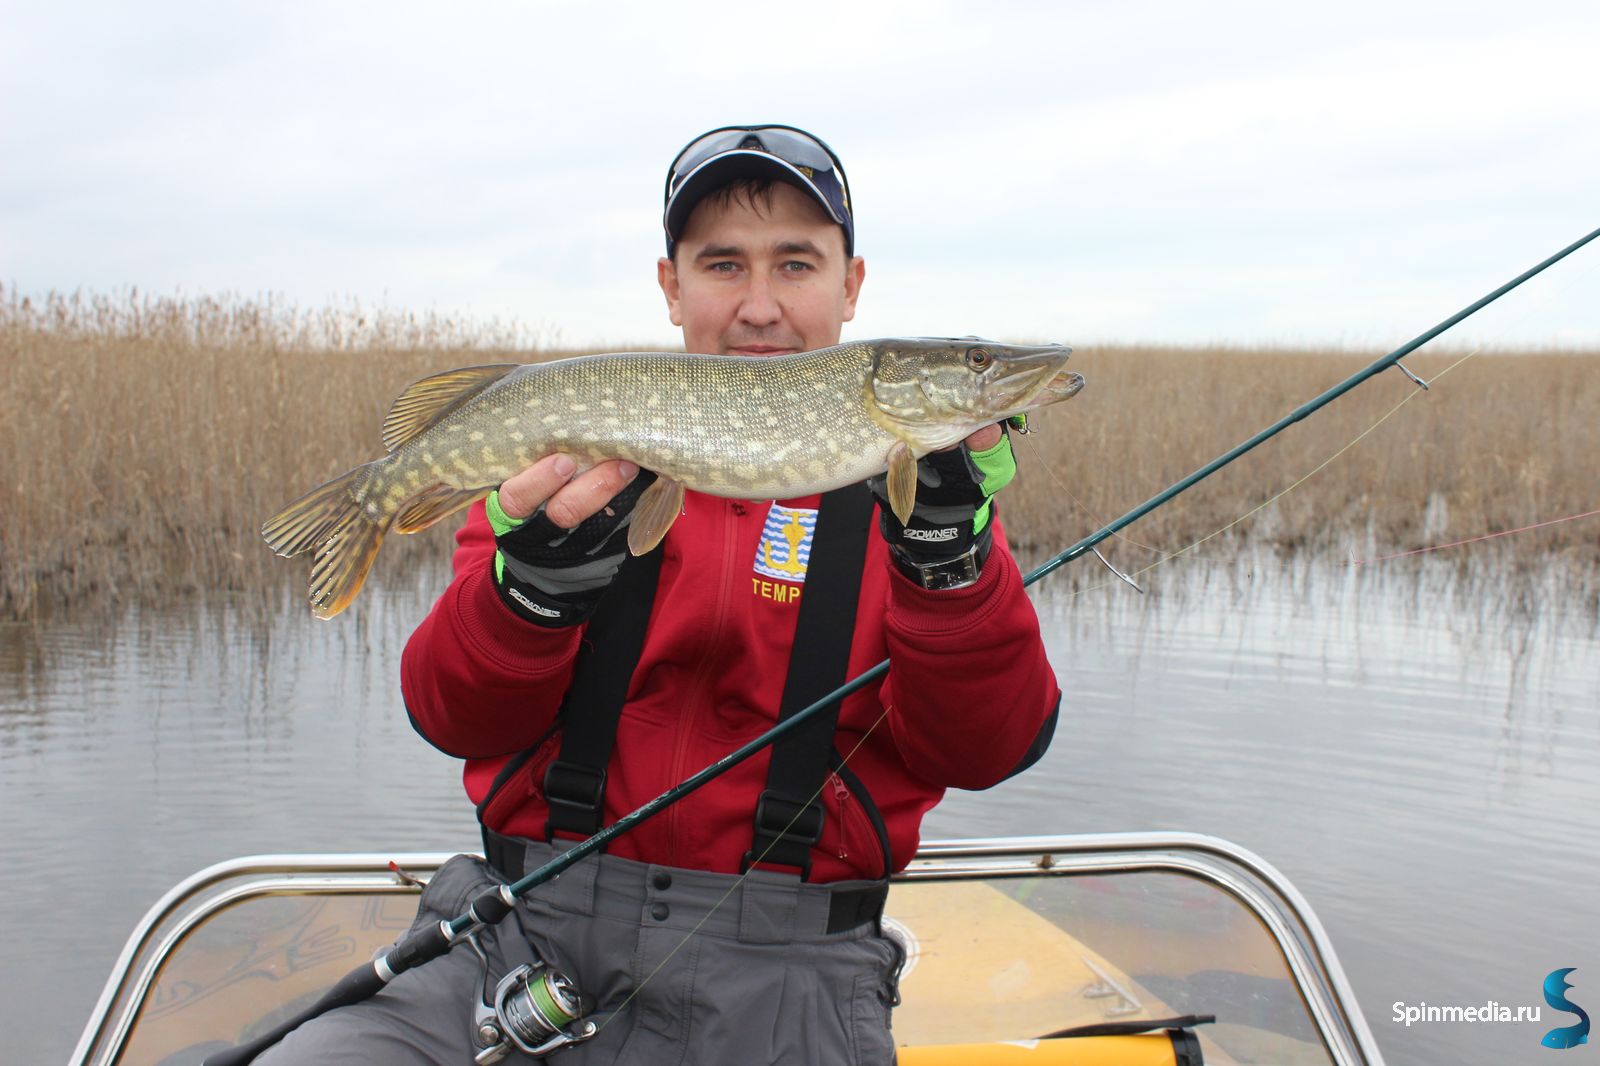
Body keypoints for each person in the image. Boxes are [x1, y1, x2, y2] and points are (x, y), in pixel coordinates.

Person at [260, 124, 1060, 1065]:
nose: (759, 305)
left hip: (793, 975)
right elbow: (450, 716)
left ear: (852, 287)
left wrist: (949, 566)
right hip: (521, 937)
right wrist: (530, 597)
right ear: (671, 285)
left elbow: (988, 746)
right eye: (722, 264)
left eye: (796, 263)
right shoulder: (560, 492)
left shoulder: (918, 507)